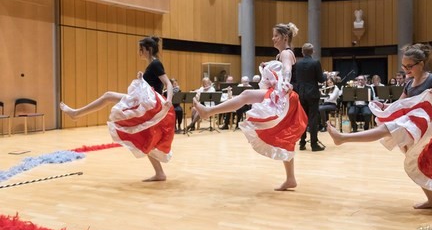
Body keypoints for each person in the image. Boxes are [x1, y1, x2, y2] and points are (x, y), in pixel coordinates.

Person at [327, 43, 432, 209]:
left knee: (386, 129)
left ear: (420, 64)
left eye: (409, 66)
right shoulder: (408, 83)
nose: (405, 70)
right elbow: (400, 104)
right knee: (416, 160)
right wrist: (385, 107)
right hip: (412, 125)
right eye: (403, 66)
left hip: (427, 127)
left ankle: (343, 138)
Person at [60, 36, 175, 182]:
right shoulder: (151, 66)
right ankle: (160, 173)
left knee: (108, 96)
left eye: (141, 49)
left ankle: (76, 113)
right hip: (147, 105)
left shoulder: (156, 64)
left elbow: (168, 84)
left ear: (148, 49)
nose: (140, 52)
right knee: (146, 139)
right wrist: (142, 78)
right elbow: (150, 86)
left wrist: (169, 100)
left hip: (151, 106)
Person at [193, 60, 307, 191]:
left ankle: (209, 111)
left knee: (246, 95)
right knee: (284, 137)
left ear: (284, 38)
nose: (274, 38)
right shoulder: (280, 56)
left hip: (282, 95)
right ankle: (290, 178)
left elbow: (287, 69)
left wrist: (286, 82)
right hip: (283, 96)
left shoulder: (285, 53)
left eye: (276, 37)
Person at [296, 43, 325, 151]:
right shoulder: (315, 62)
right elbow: (321, 79)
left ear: (302, 52)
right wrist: (326, 76)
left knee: (302, 118)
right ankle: (314, 144)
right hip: (312, 94)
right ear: (313, 52)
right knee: (313, 119)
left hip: (301, 93)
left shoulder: (298, 64)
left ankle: (302, 143)